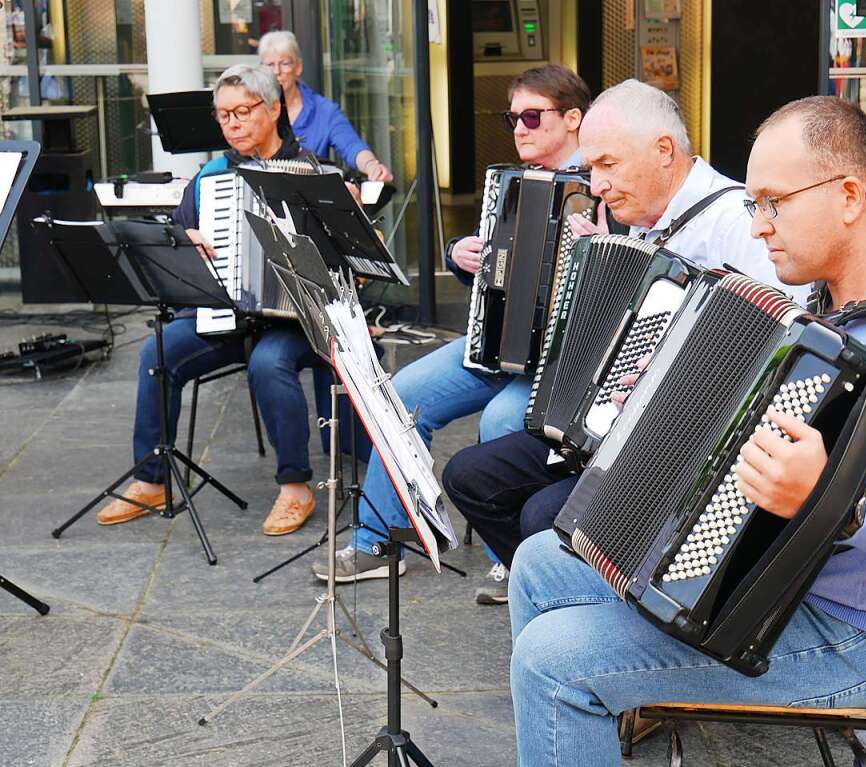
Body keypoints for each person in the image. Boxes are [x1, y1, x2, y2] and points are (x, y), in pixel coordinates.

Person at [506, 95, 866, 765]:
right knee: (539, 561)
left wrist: (841, 498)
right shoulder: (825, 313)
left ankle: (579, 706)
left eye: (773, 202)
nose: (760, 227)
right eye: (755, 205)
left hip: (861, 638)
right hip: (764, 588)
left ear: (851, 195)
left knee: (553, 660)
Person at [441, 79, 809, 595]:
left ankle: (586, 612)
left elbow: (780, 356)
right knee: (468, 476)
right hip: (608, 430)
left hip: (682, 451)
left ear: (664, 152)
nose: (595, 186)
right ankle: (560, 598)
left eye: (607, 165)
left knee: (545, 516)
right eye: (591, 169)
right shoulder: (640, 224)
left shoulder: (737, 224)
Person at [311, 64, 592, 590]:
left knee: (503, 422)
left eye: (532, 116)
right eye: (513, 117)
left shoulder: (602, 186)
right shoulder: (513, 182)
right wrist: (460, 257)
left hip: (565, 364)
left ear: (573, 118)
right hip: (500, 342)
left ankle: (510, 558)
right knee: (401, 394)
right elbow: (498, 272)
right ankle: (379, 540)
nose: (520, 128)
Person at [95, 64, 329, 537]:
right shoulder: (212, 176)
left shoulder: (311, 173)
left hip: (296, 321)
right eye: (223, 115)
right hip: (229, 314)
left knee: (269, 364)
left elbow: (335, 264)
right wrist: (188, 241)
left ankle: (295, 486)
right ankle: (152, 479)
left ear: (275, 108)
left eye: (243, 111)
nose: (233, 123)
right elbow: (176, 240)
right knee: (156, 350)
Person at [258, 30, 393, 182]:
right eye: (270, 64)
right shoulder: (253, 108)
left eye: (285, 63)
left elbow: (351, 146)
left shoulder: (323, 111)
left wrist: (372, 166)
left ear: (298, 67)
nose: (277, 72)